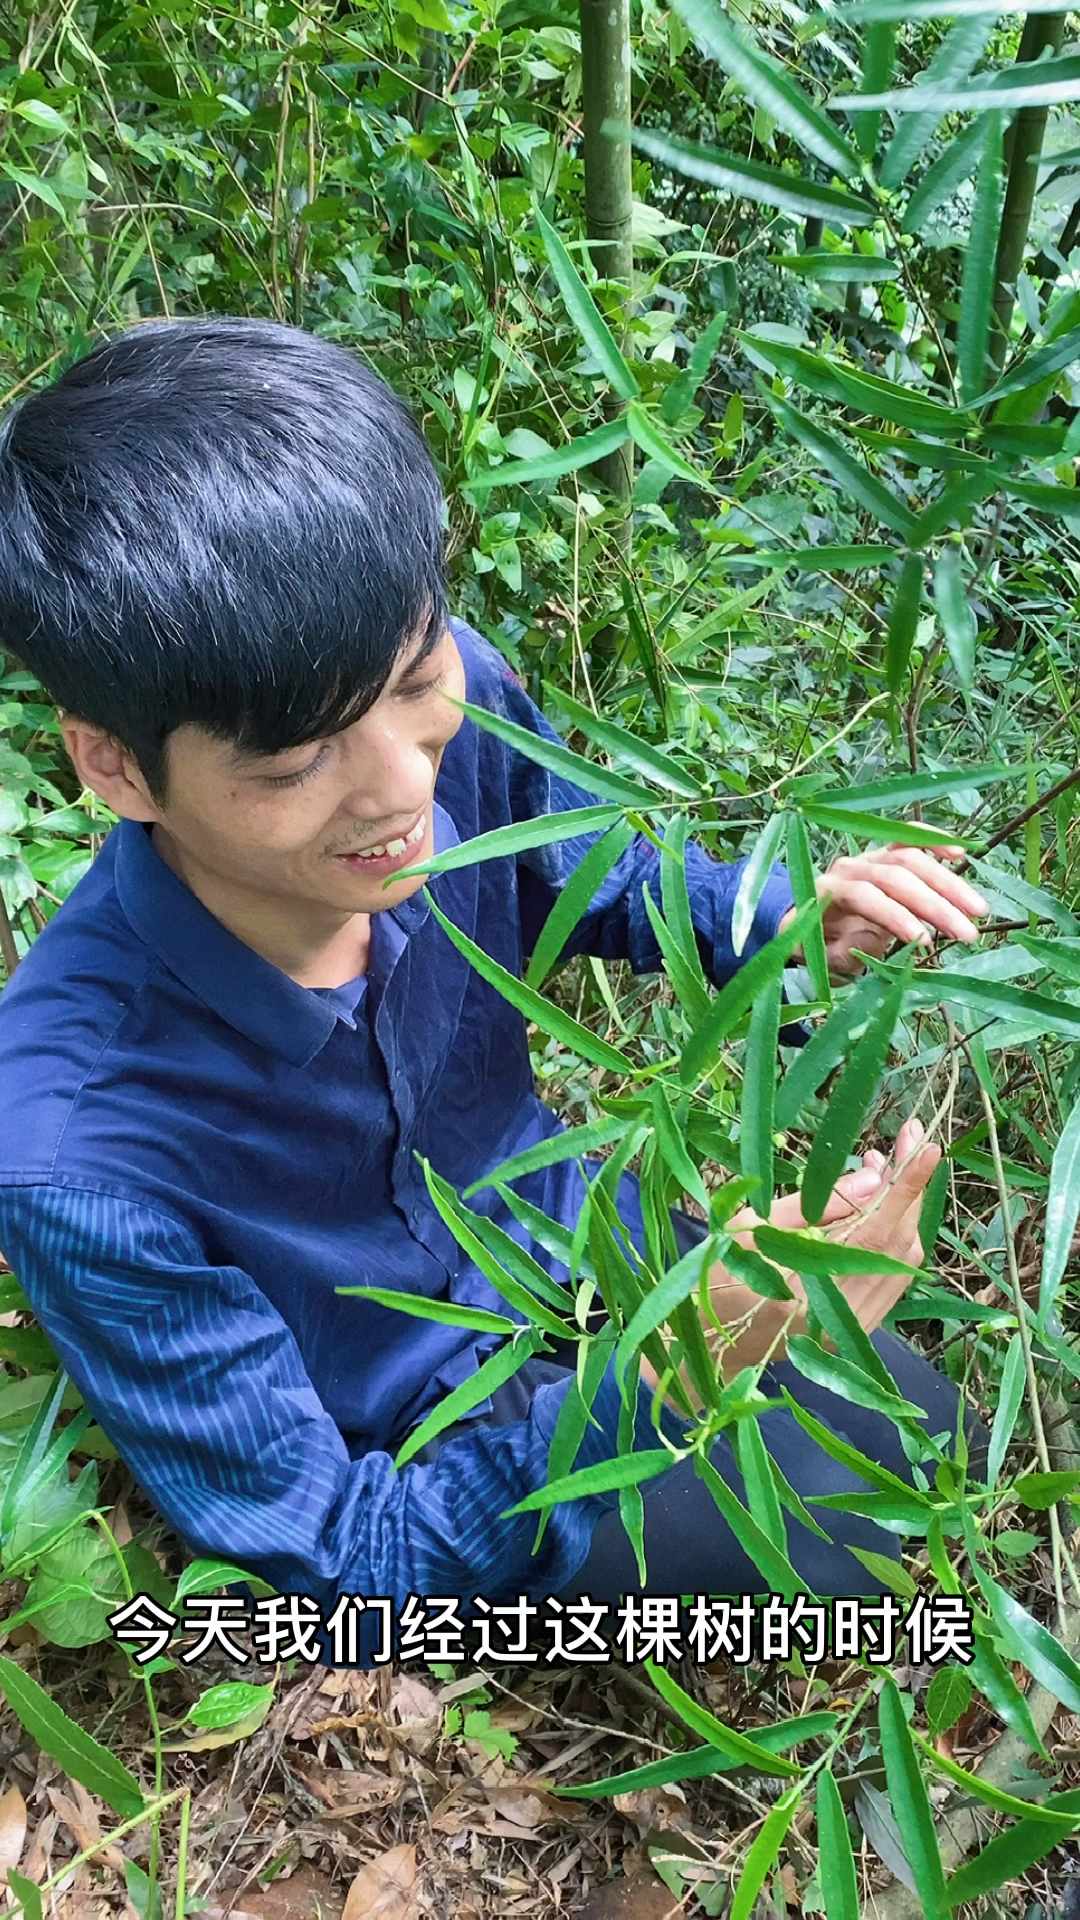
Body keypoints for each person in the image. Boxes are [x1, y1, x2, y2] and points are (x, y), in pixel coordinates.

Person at [0, 318, 988, 1662]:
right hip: (434, 1437)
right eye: (297, 764)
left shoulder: (453, 708)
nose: (407, 793)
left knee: (941, 1444)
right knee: (858, 1584)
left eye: (419, 684)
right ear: (116, 767)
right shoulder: (75, 1152)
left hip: (583, 1234)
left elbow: (579, 864)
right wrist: (674, 1368)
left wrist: (779, 920)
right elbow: (347, 1566)